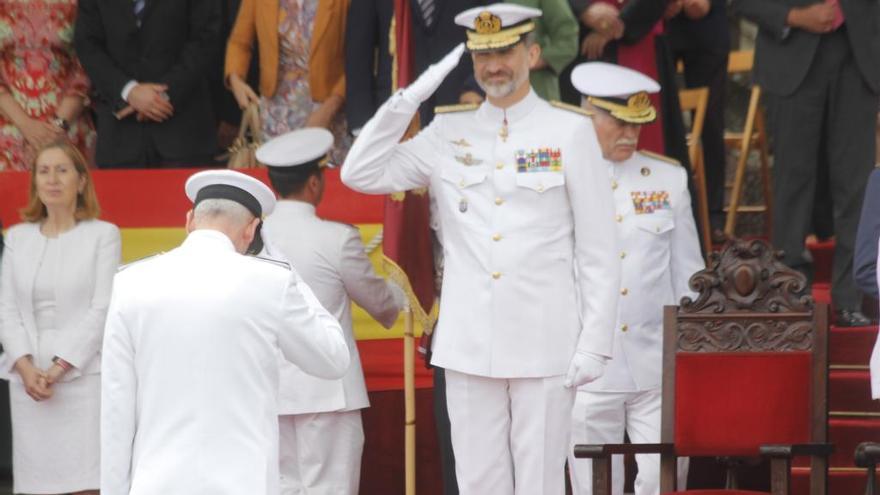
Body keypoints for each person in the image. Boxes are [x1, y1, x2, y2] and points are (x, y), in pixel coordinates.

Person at [341, 5, 620, 493]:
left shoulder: (570, 131)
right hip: (469, 343)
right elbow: (359, 173)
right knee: (477, 483)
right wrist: (415, 92)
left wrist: (595, 341)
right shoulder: (449, 131)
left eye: (506, 51)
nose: (495, 65)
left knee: (540, 482)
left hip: (544, 338)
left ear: (532, 53)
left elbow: (598, 248)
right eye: (483, 54)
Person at [100, 170, 351, 495]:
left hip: (157, 484)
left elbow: (116, 409)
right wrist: (284, 267)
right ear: (252, 230)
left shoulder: (131, 282)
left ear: (189, 220)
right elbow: (332, 358)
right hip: (245, 484)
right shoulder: (271, 282)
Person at [566, 62, 703, 495]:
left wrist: (689, 351)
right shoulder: (558, 178)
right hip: (588, 363)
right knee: (592, 484)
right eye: (619, 123)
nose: (630, 134)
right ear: (590, 115)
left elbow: (689, 275)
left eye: (638, 124)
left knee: (664, 481)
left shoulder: (668, 179)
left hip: (655, 361)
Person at [257, 128, 404, 494]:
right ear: (313, 183)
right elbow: (381, 304)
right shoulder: (336, 238)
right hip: (328, 391)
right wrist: (405, 290)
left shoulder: (248, 237)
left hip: (265, 388)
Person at [732, 0, 880, 327]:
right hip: (791, 54)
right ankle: (790, 293)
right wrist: (793, 16)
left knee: (855, 184)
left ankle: (850, 298)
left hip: (861, 57)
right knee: (792, 180)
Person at [0, 141, 121, 495]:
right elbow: (6, 309)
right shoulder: (17, 237)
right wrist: (25, 368)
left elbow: (103, 308)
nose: (52, 179)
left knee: (87, 483)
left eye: (62, 170)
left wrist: (58, 368)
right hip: (28, 381)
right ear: (34, 181)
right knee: (36, 484)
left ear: (82, 181)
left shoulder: (103, 234)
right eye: (44, 170)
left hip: (82, 377)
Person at [74, 0, 220, 168]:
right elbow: (87, 44)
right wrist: (128, 91)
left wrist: (163, 96)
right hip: (121, 136)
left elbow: (206, 38)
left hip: (183, 134)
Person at [225, 0, 351, 160]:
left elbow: (359, 56)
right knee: (279, 178)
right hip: (277, 114)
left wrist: (331, 106)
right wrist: (235, 79)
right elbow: (239, 42)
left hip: (327, 112)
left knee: (327, 180)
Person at [0, 0, 96, 171]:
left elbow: (90, 63)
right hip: (8, 126)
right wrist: (25, 125)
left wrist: (56, 128)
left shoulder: (79, 4)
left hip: (67, 124)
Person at [667, 0, 729, 243]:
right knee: (659, 116)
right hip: (655, 21)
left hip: (707, 26)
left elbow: (700, 7)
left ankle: (713, 216)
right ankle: (661, 206)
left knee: (710, 123)